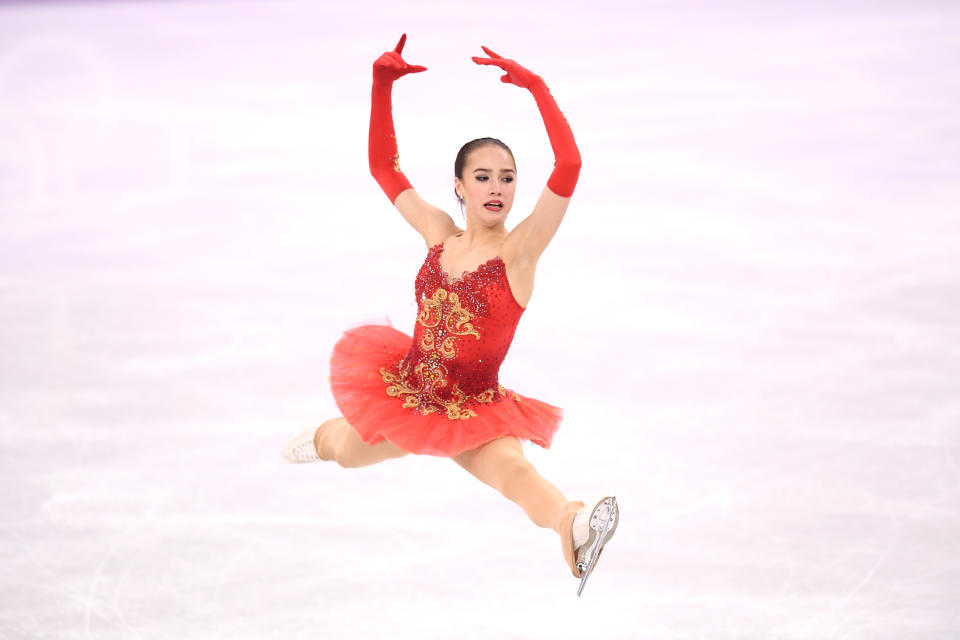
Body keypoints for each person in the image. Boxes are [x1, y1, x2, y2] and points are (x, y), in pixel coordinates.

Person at [282, 34, 618, 596]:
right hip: (406, 391)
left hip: (473, 407)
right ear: (459, 187)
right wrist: (381, 86)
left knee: (515, 474)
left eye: (507, 177)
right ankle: (320, 438)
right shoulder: (438, 232)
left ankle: (573, 525)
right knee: (345, 451)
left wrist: (538, 89)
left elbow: (571, 163)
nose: (497, 188)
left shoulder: (521, 252)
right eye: (483, 177)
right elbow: (383, 167)